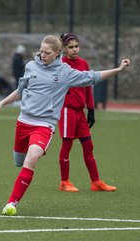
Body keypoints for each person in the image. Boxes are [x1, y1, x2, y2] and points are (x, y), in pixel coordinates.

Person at [0, 35, 130, 216]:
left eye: (47, 53)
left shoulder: (65, 72)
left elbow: (93, 77)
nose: (42, 55)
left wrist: (118, 69)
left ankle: (11, 204)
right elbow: (20, 90)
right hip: (24, 122)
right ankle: (18, 184)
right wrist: (1, 103)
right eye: (41, 51)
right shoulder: (30, 66)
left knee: (31, 159)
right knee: (19, 161)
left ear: (58, 53)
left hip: (44, 125)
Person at [57, 33, 116, 192]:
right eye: (71, 47)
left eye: (76, 46)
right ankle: (64, 182)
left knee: (88, 145)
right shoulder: (61, 65)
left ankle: (96, 182)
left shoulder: (83, 63)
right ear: (64, 49)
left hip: (80, 112)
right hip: (67, 110)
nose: (75, 49)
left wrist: (91, 109)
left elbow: (88, 86)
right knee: (67, 145)